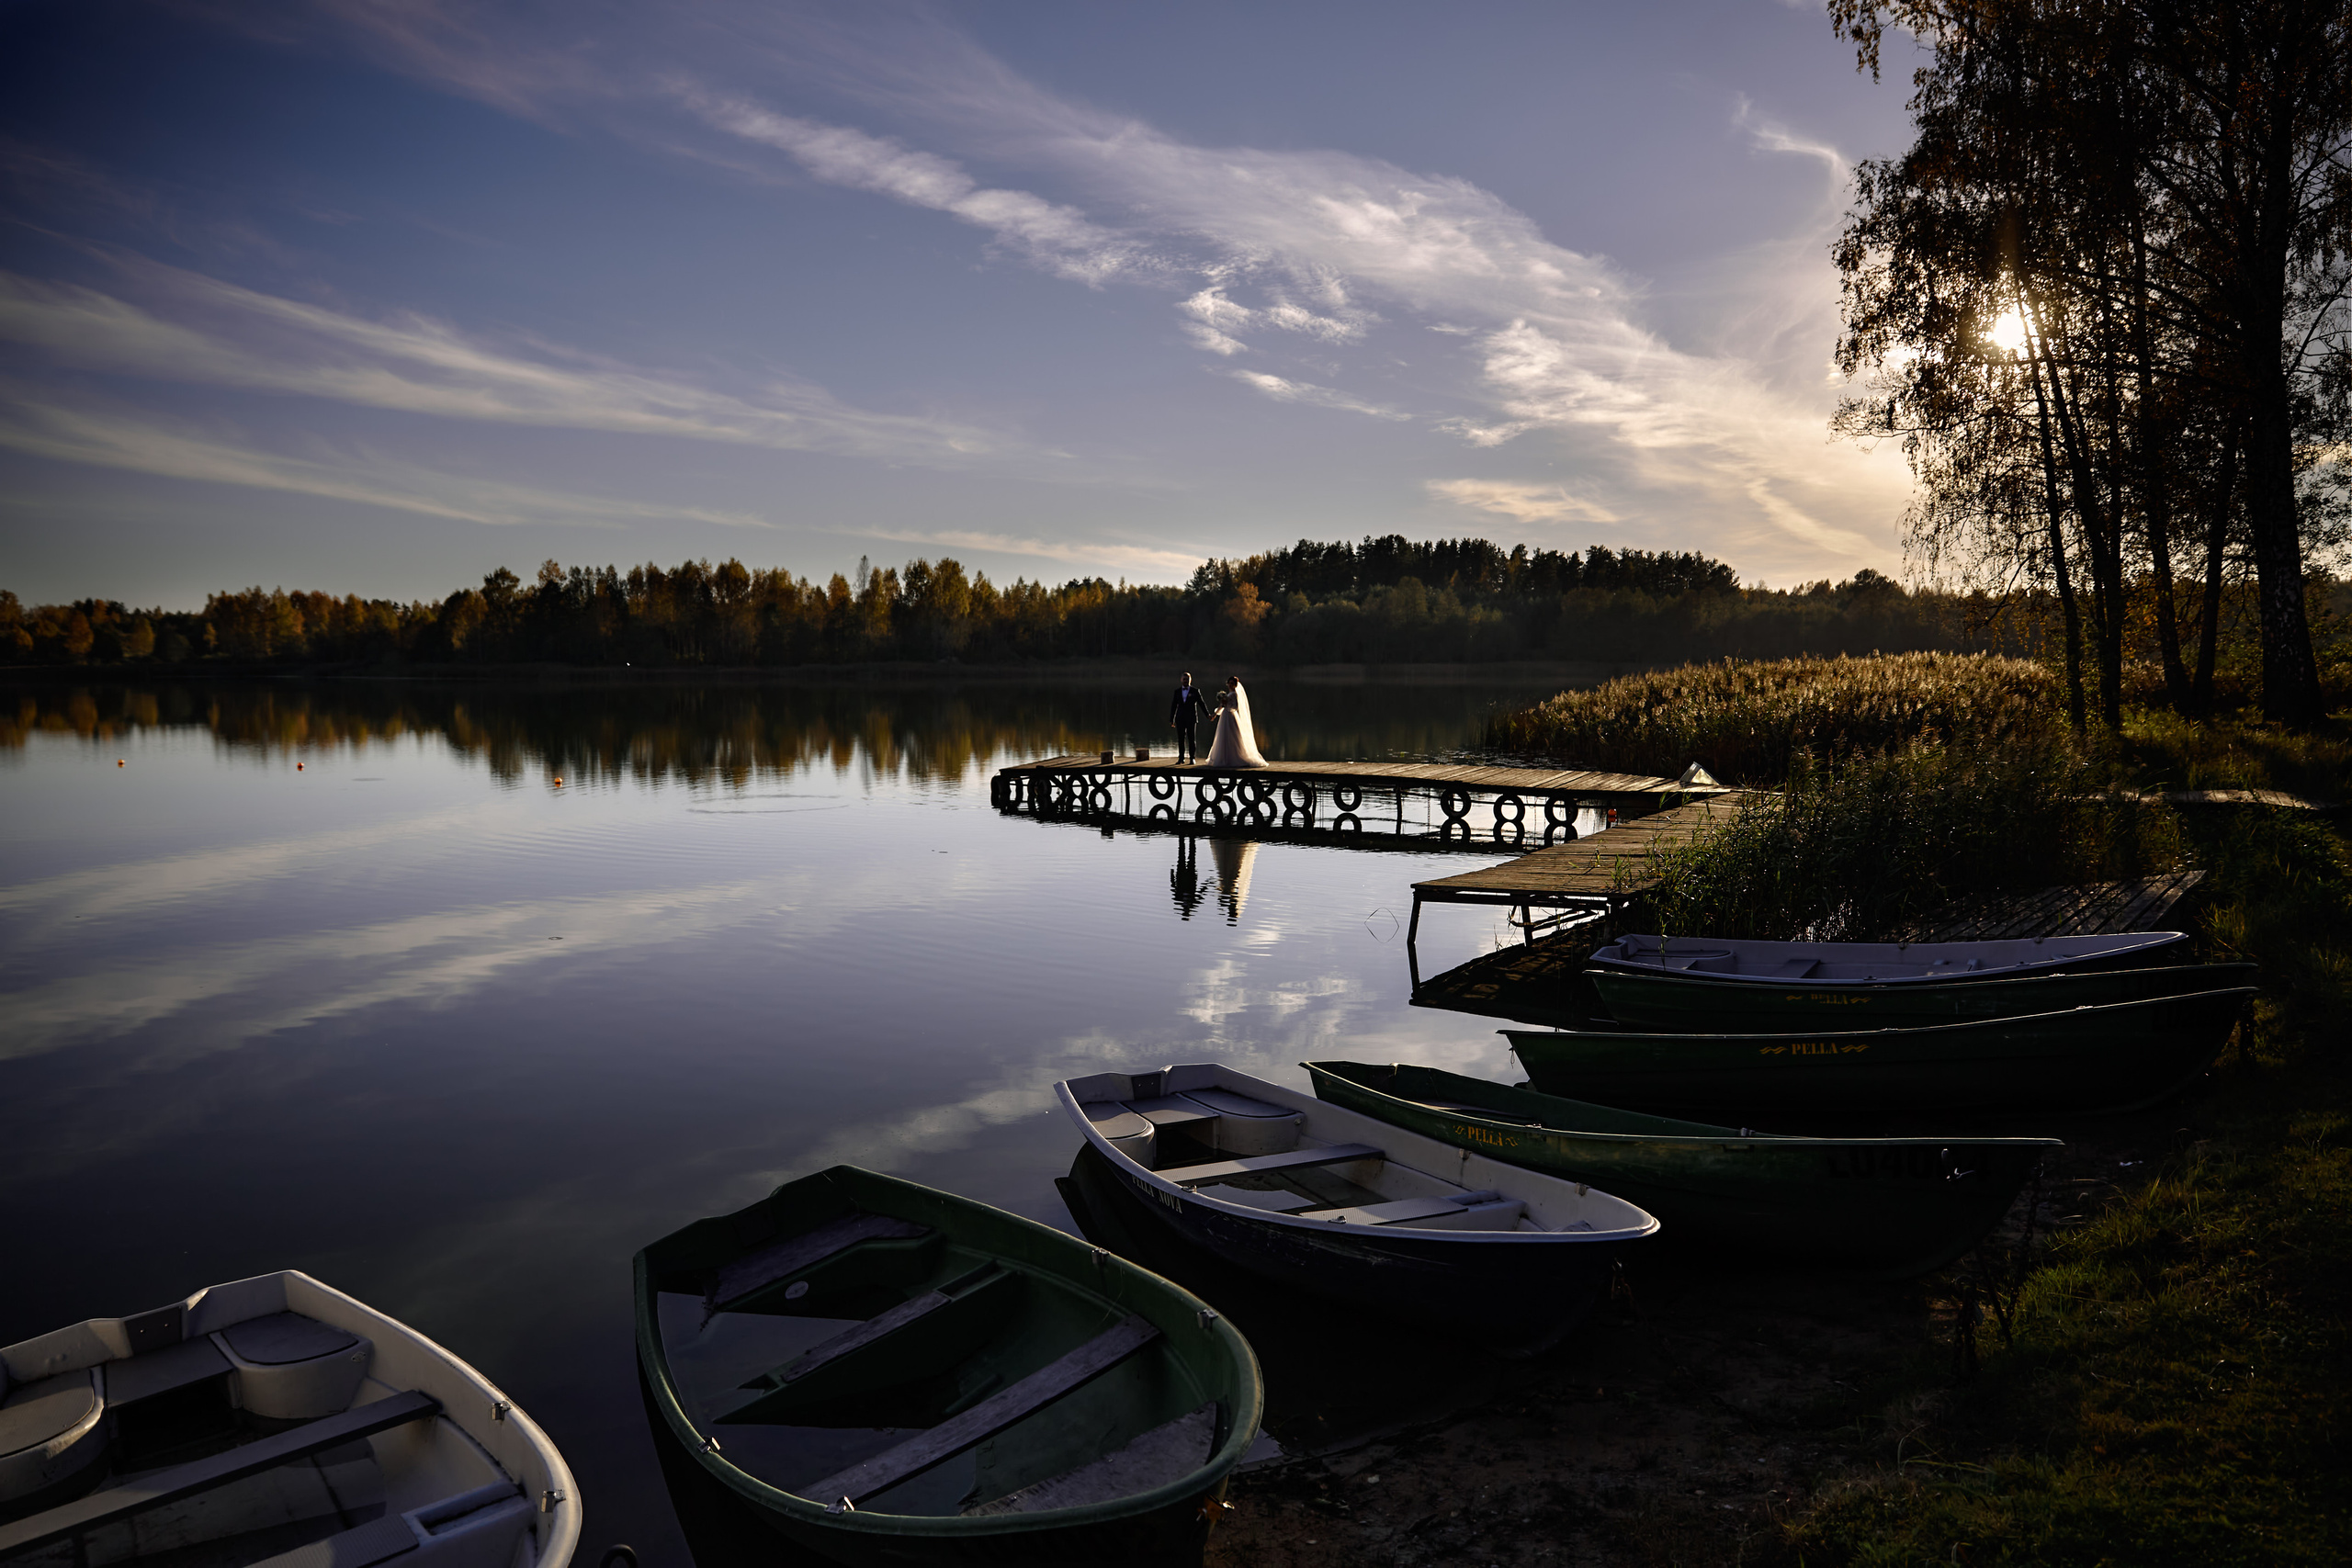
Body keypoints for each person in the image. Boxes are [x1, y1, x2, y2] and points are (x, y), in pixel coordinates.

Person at [1204, 675, 1269, 768]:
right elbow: (1222, 706)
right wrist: (1215, 714)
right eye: (1229, 683)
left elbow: (1235, 707)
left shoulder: (1234, 694)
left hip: (1231, 716)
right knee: (1223, 736)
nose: (1230, 685)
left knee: (1233, 736)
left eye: (1232, 684)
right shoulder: (1227, 694)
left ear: (1235, 685)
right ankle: (1223, 758)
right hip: (1224, 716)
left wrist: (1226, 705)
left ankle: (1234, 758)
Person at [1169, 671, 1207, 763]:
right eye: (1184, 679)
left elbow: (1201, 704)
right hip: (1180, 718)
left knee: (1191, 739)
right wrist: (1172, 719)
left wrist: (1207, 715)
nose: (1186, 681)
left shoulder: (1195, 691)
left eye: (1187, 679)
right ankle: (1181, 758)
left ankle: (1192, 758)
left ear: (1190, 680)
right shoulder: (1177, 692)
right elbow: (1174, 706)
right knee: (1181, 739)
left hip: (1191, 718)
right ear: (1181, 680)